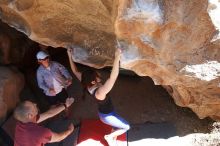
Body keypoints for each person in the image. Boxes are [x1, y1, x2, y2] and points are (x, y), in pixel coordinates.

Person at [67, 47, 130, 145]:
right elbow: (112, 78)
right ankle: (109, 137)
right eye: (97, 75)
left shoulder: (87, 84)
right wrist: (117, 57)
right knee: (126, 127)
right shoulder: (100, 92)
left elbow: (75, 71)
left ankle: (112, 134)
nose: (99, 74)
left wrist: (69, 55)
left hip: (106, 113)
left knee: (116, 125)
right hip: (107, 116)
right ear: (93, 81)